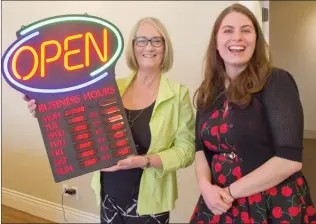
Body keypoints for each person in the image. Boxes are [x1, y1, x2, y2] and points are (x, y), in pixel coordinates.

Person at [24, 17, 196, 224]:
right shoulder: (113, 87)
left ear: (165, 47)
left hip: (149, 203)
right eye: (141, 40)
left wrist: (144, 160)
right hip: (108, 195)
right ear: (133, 46)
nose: (149, 47)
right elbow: (81, 124)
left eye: (156, 41)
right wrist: (45, 110)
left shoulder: (178, 95)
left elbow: (186, 151)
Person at [189, 3, 316, 224]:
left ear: (256, 39)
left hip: (271, 204)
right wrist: (205, 187)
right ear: (216, 42)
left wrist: (228, 193)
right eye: (228, 30)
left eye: (246, 30)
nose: (237, 37)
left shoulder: (276, 81)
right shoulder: (209, 90)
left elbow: (289, 160)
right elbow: (200, 149)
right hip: (218, 203)